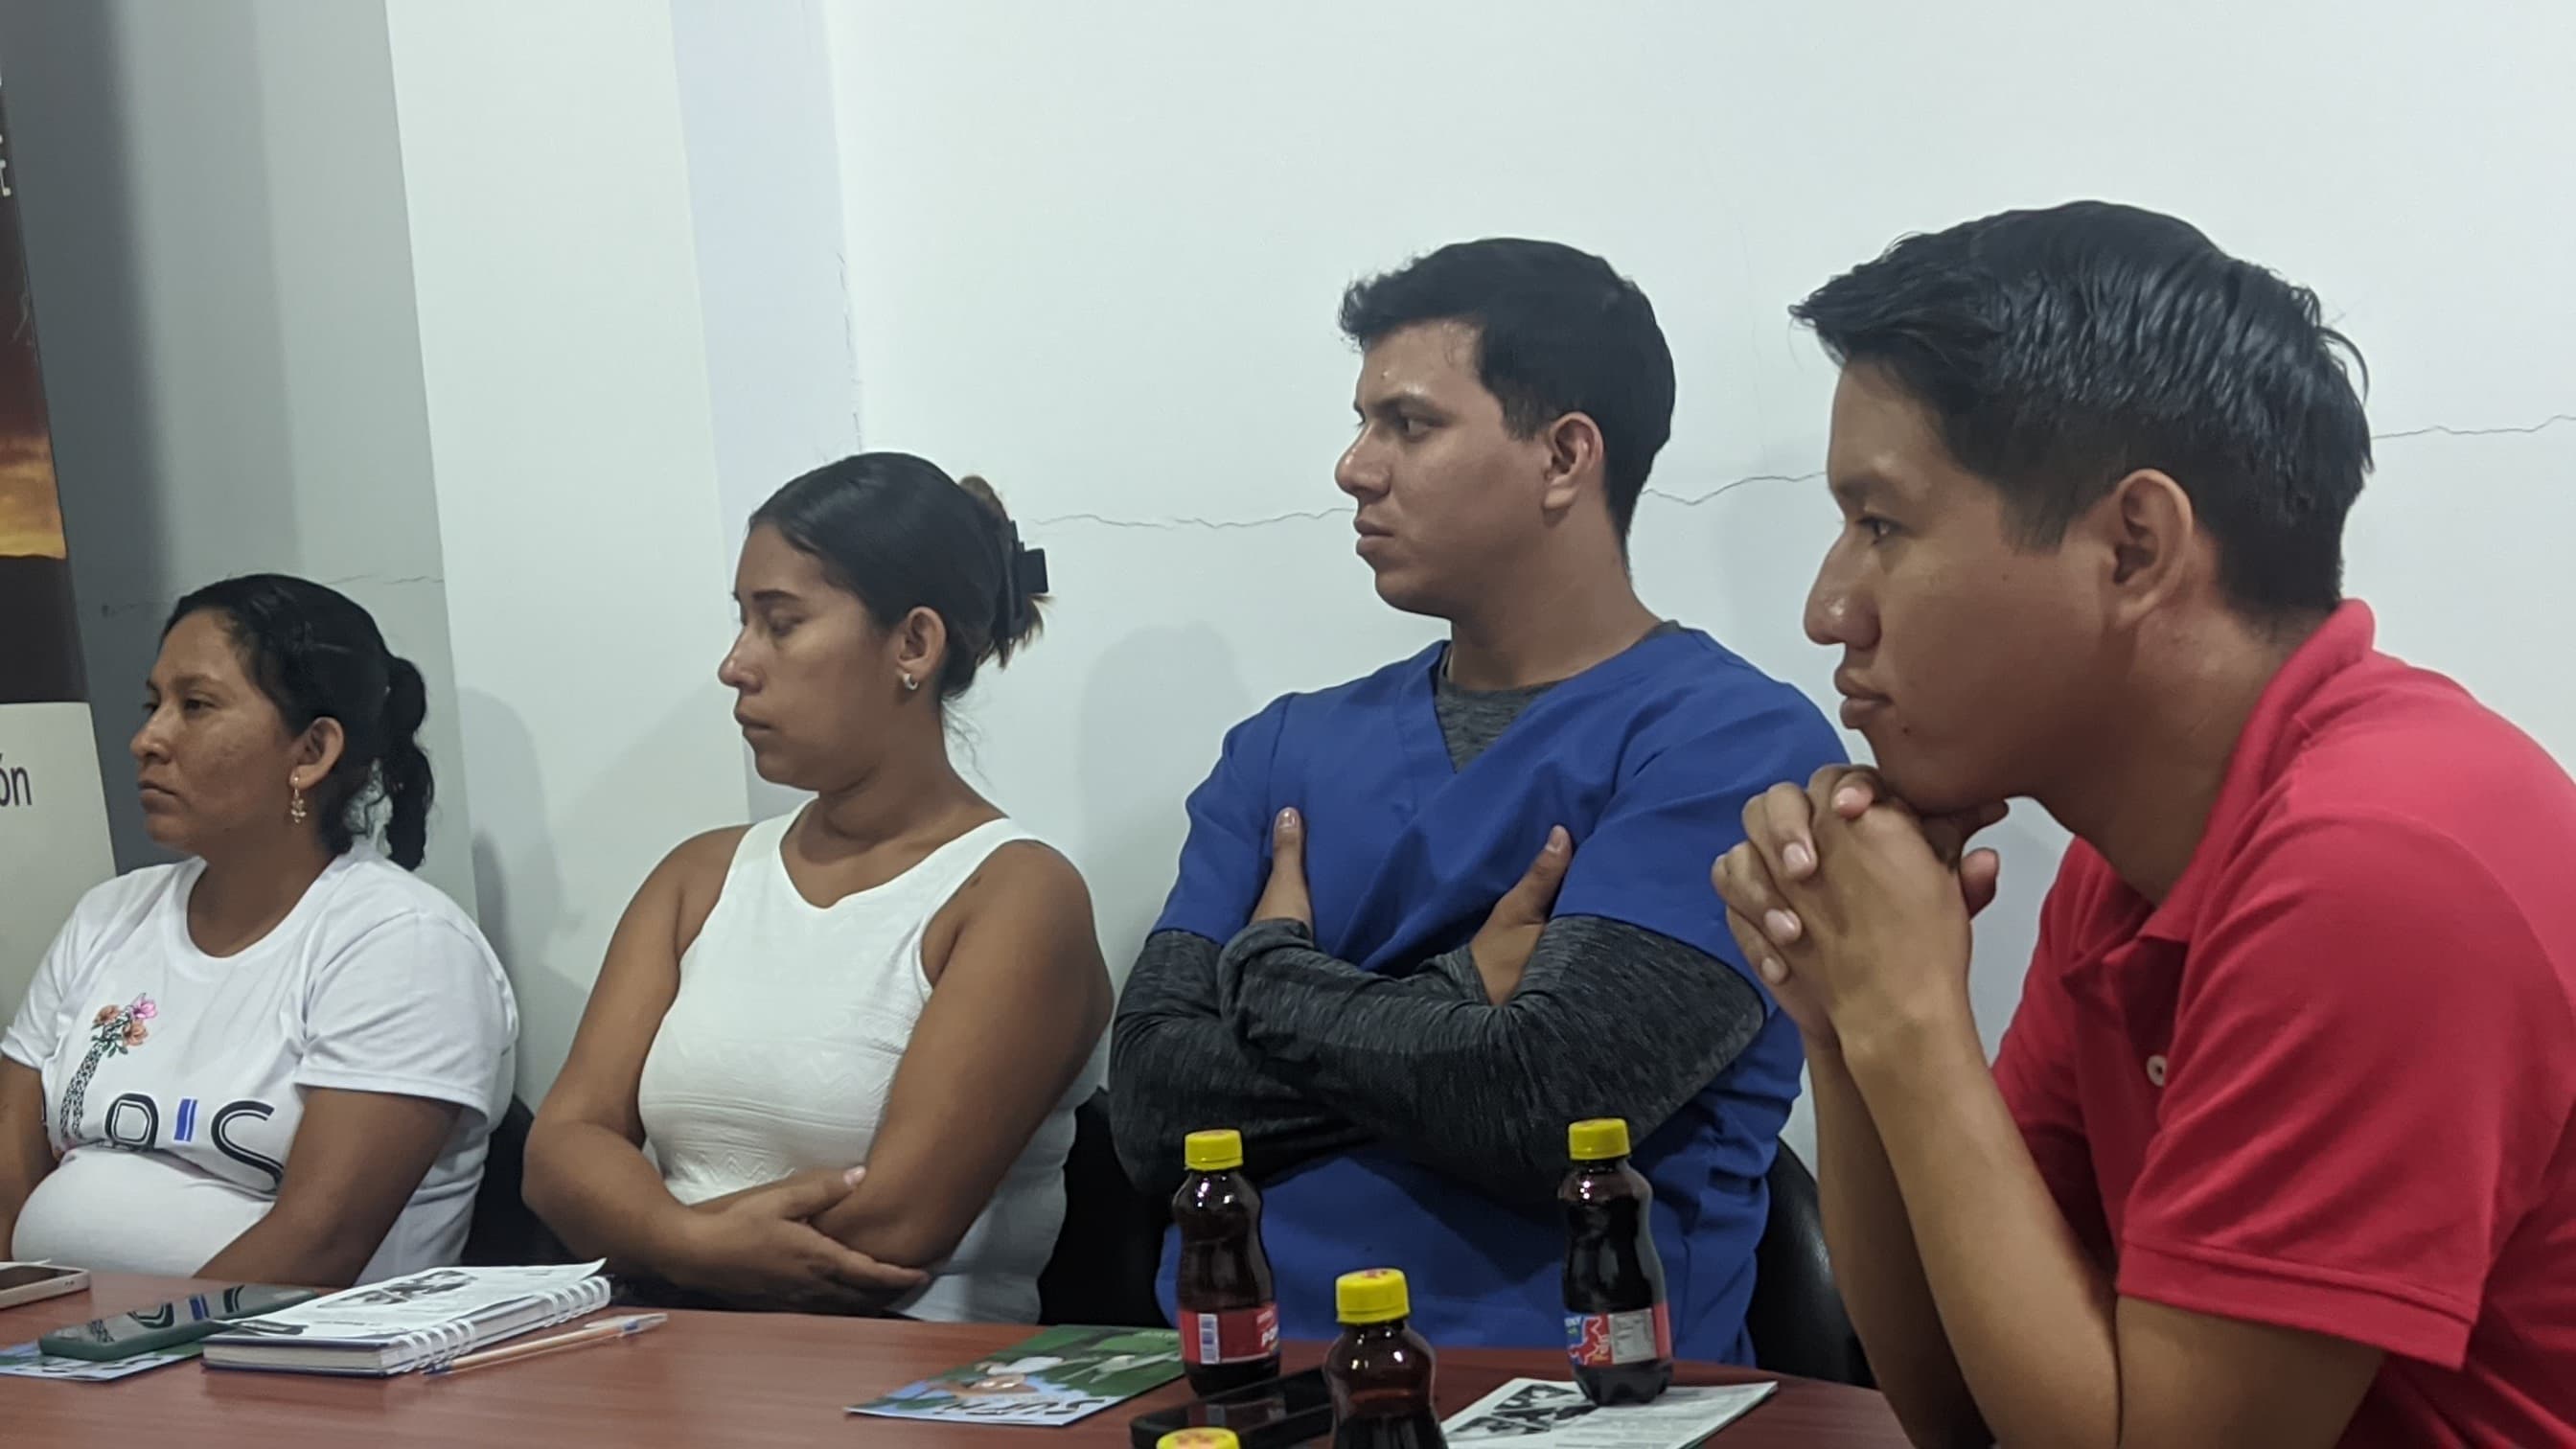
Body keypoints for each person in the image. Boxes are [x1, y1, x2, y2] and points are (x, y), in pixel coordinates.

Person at [1714, 202, 2576, 1446]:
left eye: (1881, 524)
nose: (1828, 607)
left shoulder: (2377, 870)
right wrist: (1846, 1022)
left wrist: (1911, 1019)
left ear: (2133, 548)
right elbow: (1958, 1406)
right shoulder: (2134, 869)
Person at [1111, 239, 1844, 1360]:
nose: (1355, 468)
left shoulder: (1730, 746)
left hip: (1585, 1398)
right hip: (1241, 1383)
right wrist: (1461, 998)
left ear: (1564, 456)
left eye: (1409, 425)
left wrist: (1267, 975)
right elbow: (1154, 1108)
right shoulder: (1281, 749)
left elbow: (1548, 1103)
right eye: (1362, 424)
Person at [523, 452, 1112, 1322]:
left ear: (913, 644)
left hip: (903, 1375)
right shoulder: (699, 878)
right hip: (674, 1360)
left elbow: (892, 1229)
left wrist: (645, 1234)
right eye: (742, 622)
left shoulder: (1016, 895)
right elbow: (560, 1151)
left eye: (781, 624)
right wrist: (681, 1241)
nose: (736, 664)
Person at [0, 574, 517, 1286]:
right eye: (153, 705)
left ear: (311, 752)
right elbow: (10, 1162)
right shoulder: (108, 915)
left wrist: (116, 1339)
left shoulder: (403, 943)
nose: (147, 739)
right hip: (60, 1338)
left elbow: (319, 1245)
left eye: (196, 706)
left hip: (276, 1347)